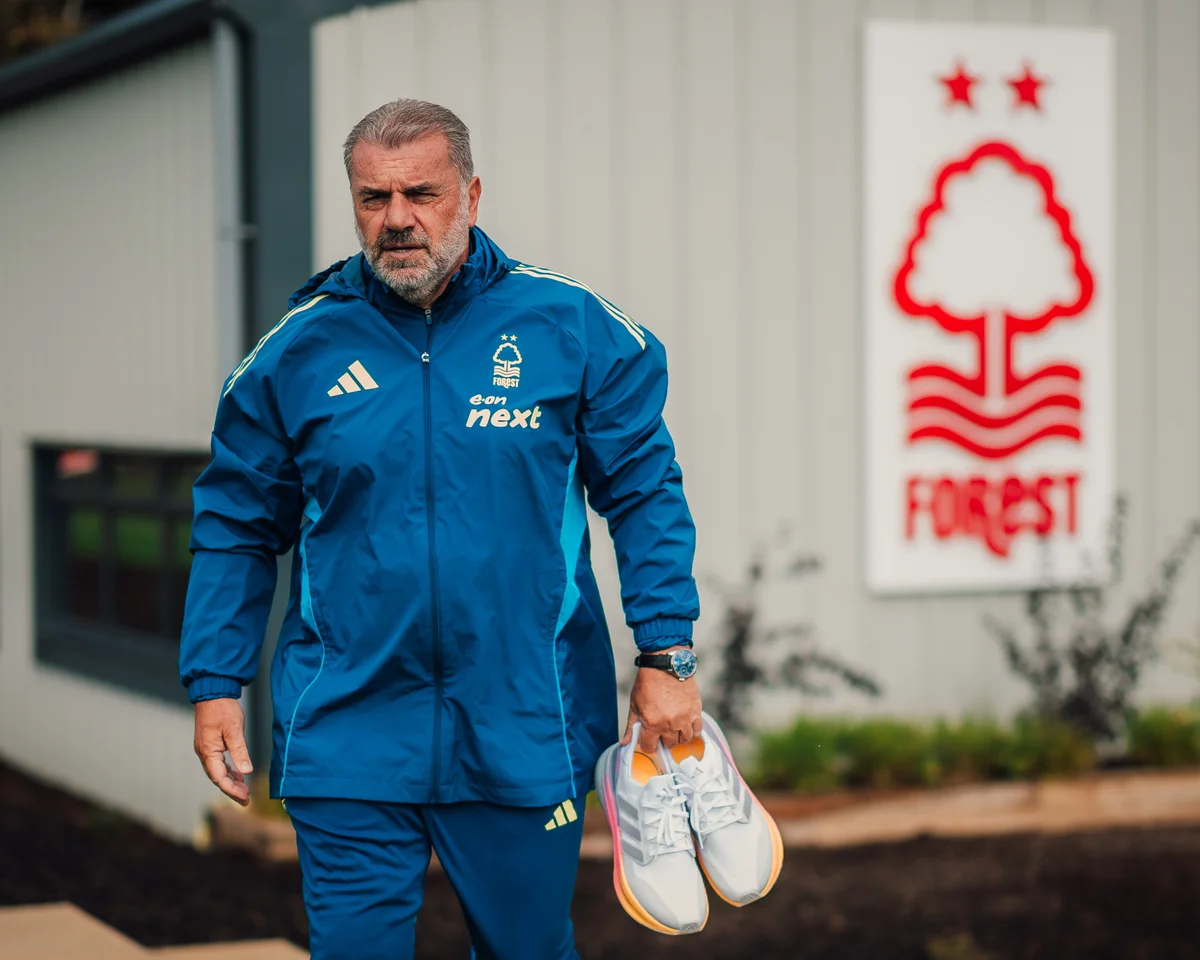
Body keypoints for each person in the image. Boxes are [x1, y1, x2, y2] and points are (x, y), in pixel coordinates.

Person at [179, 98, 701, 960]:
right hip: (347, 724)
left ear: (471, 194)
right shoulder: (294, 354)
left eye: (420, 194)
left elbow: (646, 493)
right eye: (373, 198)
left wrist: (667, 654)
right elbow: (235, 524)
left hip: (523, 721)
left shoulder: (573, 330)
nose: (396, 219)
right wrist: (214, 679)